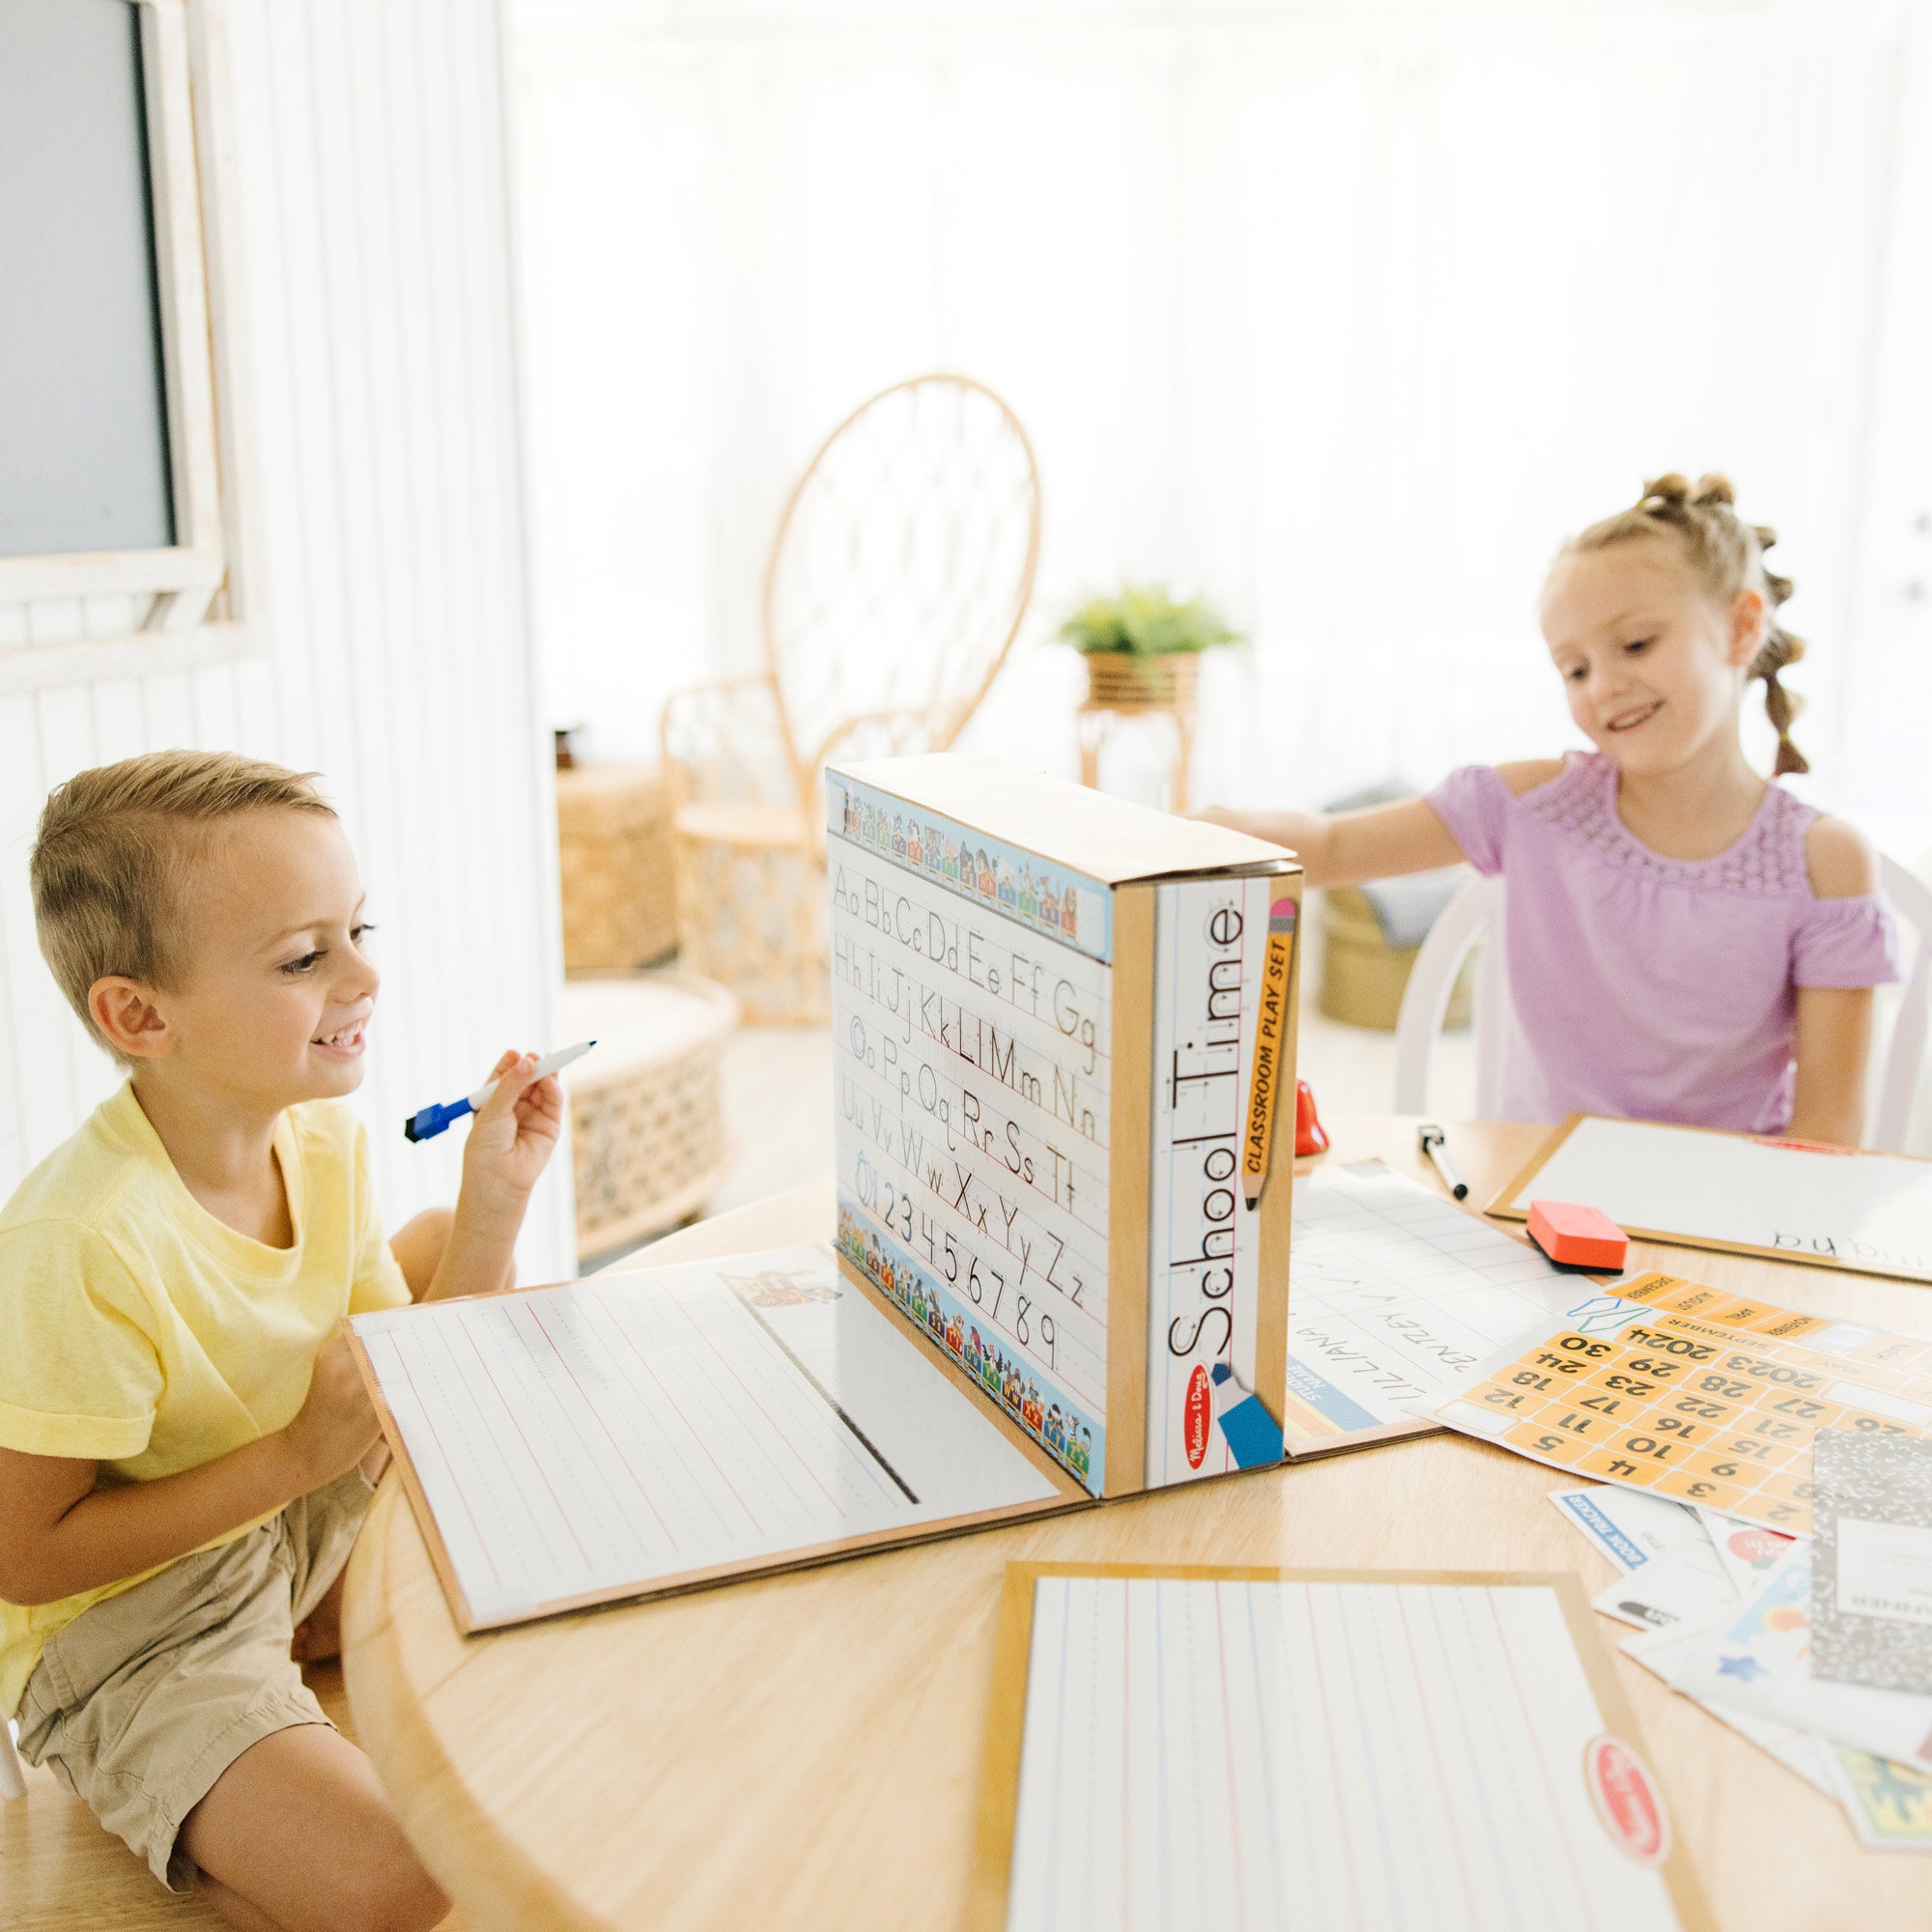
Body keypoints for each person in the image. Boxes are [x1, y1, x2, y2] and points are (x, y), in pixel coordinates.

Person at [0, 752, 563, 1931]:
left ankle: (308, 1628)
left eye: (358, 929)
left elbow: (409, 1387)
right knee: (407, 1881)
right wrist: (302, 1458)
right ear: (139, 1014)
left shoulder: (324, 1143)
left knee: (430, 1241)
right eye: (306, 957)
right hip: (132, 1624)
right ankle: (207, 1769)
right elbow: (25, 1560)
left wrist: (495, 1198)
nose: (365, 973)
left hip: (282, 1519)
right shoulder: (78, 1242)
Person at [1208, 473, 1898, 1145]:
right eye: (1575, 668)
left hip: (1726, 1224)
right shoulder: (1526, 804)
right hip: (1533, 1201)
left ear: (1742, 627)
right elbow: (1331, 847)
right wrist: (1185, 833)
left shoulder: (1825, 862)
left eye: (1635, 644)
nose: (1604, 686)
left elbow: (1827, 1133)